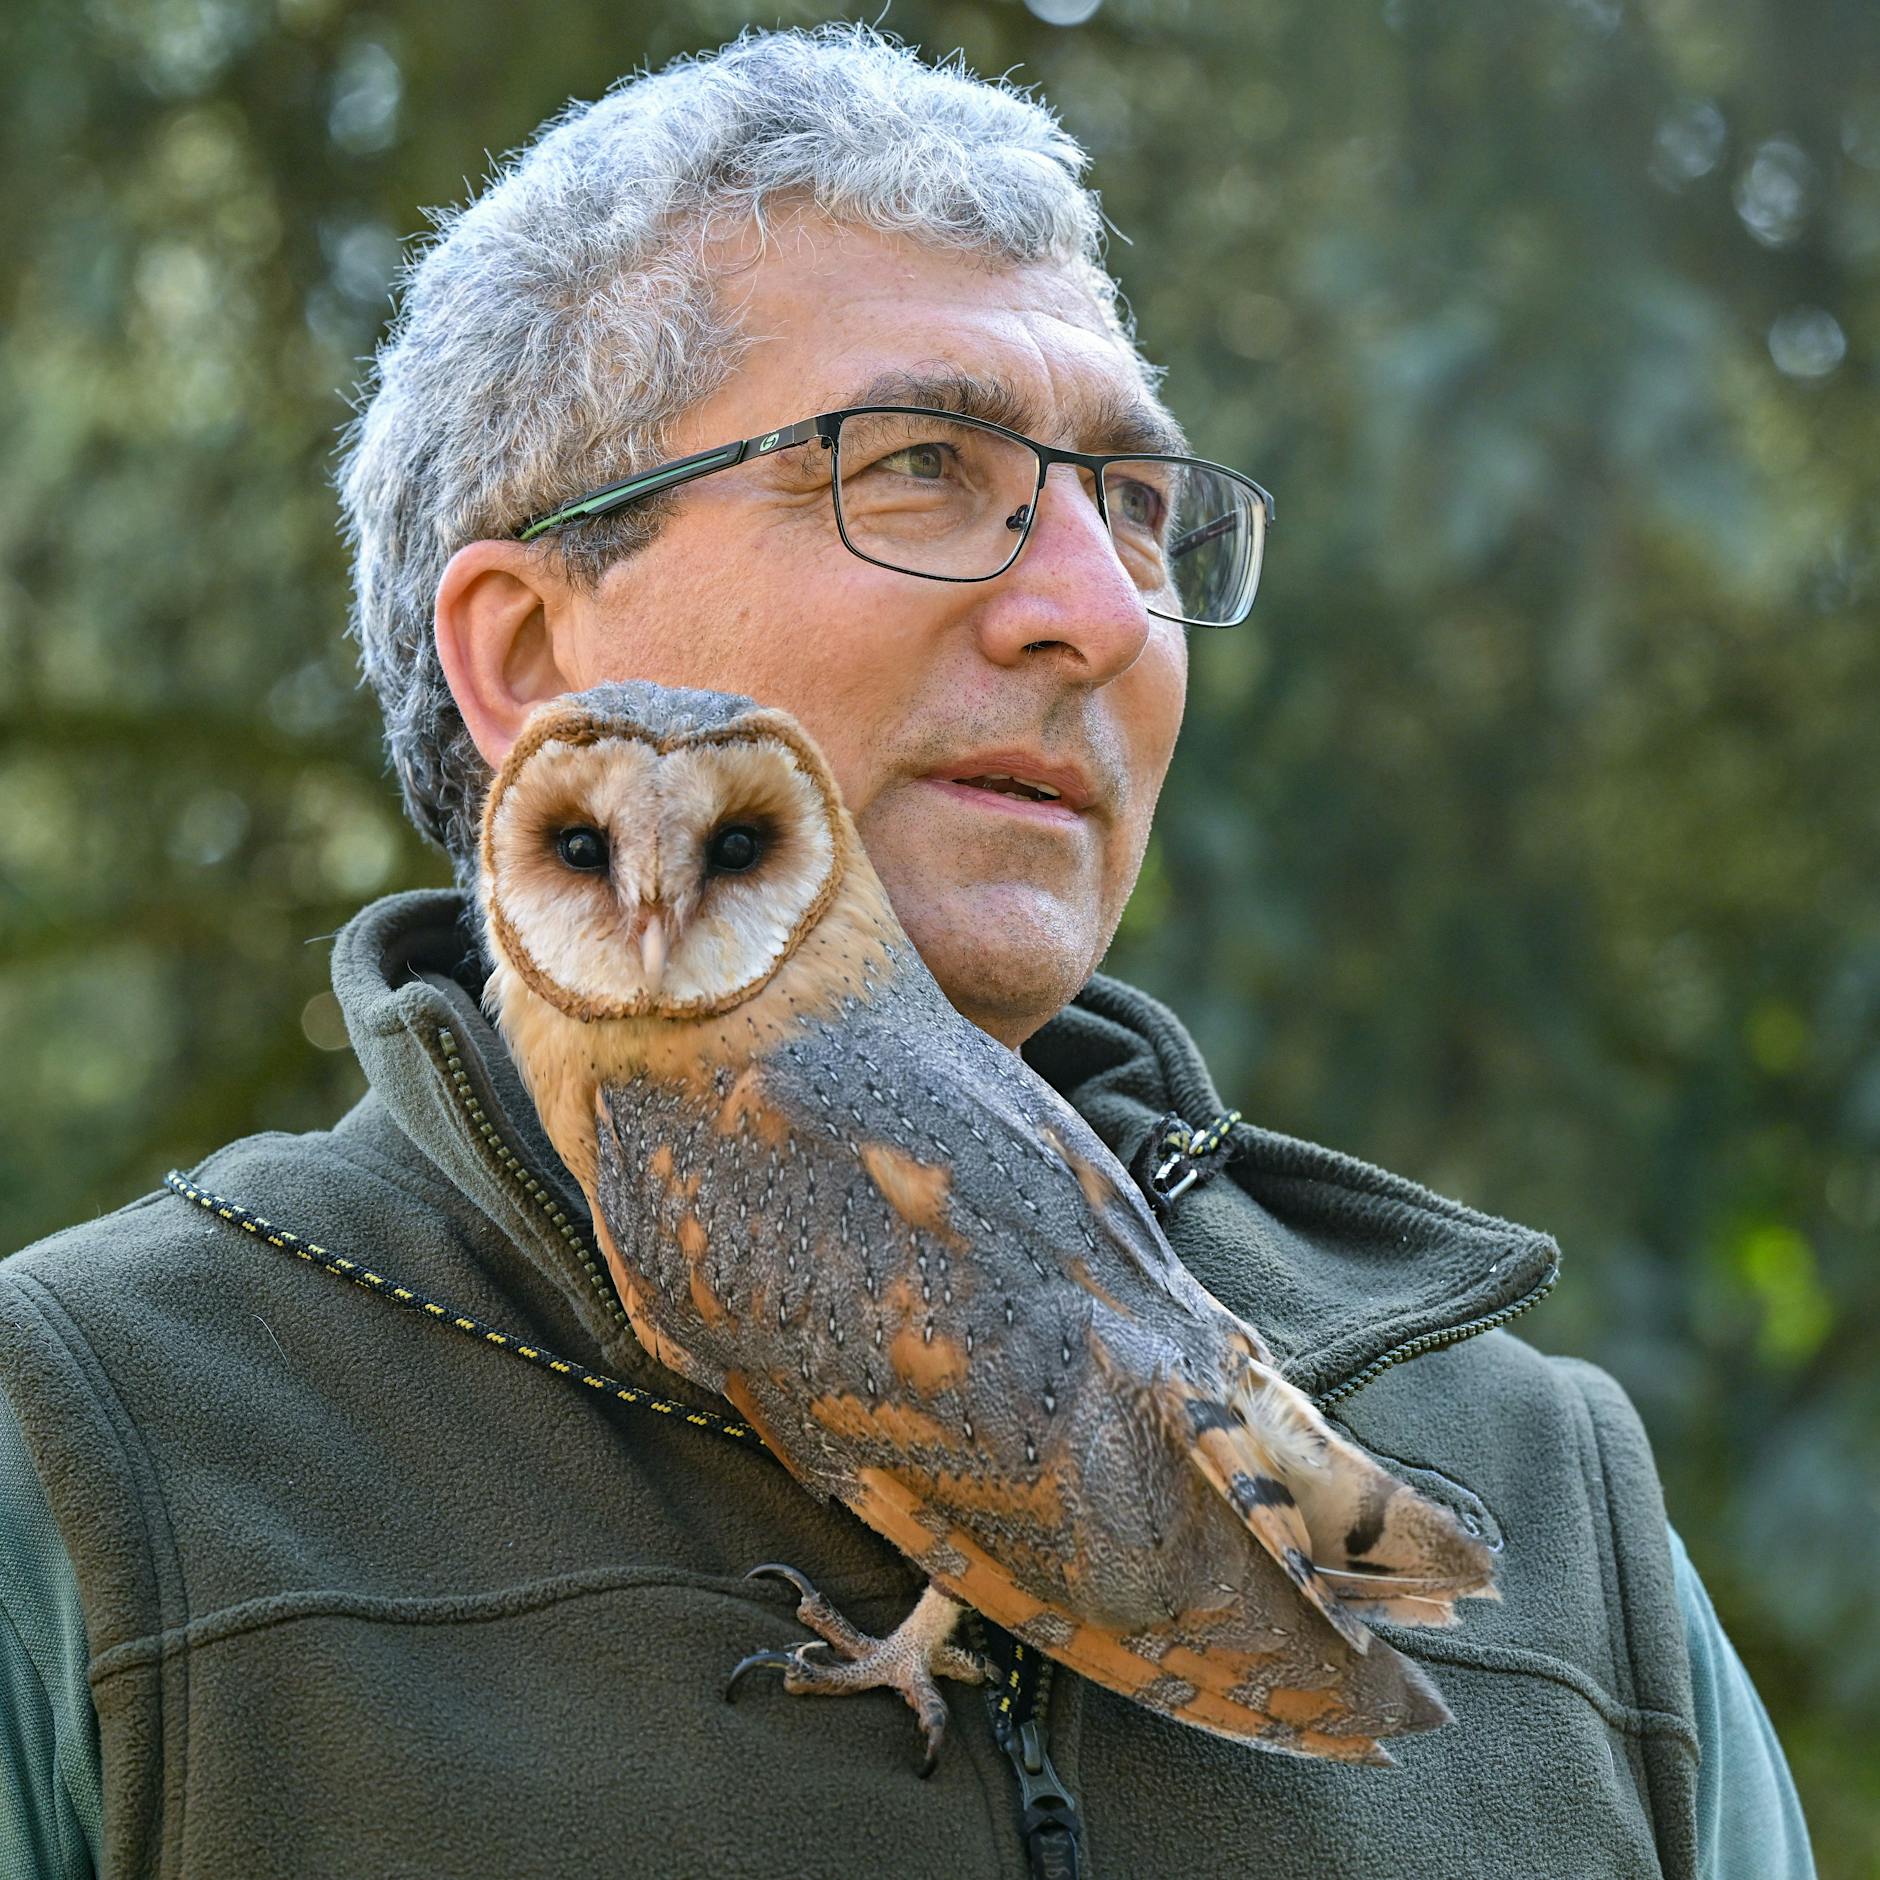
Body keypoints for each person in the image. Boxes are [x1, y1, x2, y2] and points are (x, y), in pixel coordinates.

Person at [0, 25, 1814, 1879]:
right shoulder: (98, 1455)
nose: (1097, 613)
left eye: (1133, 505)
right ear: (535, 660)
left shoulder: (1553, 1519)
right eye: (920, 465)